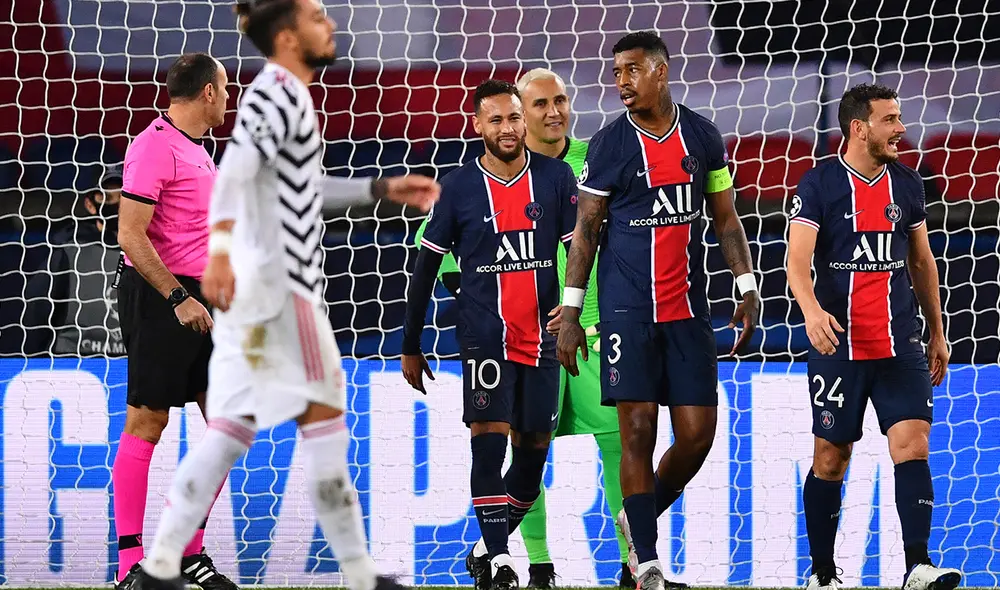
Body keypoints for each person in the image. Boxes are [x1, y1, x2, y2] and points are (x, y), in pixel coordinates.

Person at [132, 1, 439, 590]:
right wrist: (220, 251)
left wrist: (380, 188)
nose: (331, 26)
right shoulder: (278, 95)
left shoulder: (281, 94)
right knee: (323, 418)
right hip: (283, 287)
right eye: (319, 17)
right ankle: (357, 572)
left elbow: (299, 187)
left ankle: (161, 563)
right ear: (290, 35)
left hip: (264, 291)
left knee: (231, 427)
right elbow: (238, 175)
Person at [413, 68, 634, 589]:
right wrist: (483, 314)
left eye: (561, 100)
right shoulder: (485, 182)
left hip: (595, 331)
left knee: (620, 447)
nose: (554, 112)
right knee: (527, 452)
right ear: (516, 118)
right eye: (539, 105)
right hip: (522, 339)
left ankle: (632, 563)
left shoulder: (597, 158)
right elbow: (441, 253)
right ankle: (535, 564)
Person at [556, 31, 760, 590]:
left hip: (688, 313)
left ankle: (635, 517)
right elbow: (587, 230)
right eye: (616, 71)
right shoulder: (608, 146)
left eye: (631, 70)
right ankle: (645, 563)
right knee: (638, 429)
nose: (620, 81)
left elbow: (725, 218)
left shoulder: (703, 137)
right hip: (626, 313)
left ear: (661, 71)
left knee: (697, 435)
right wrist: (572, 314)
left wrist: (745, 283)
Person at [401, 79, 577, 590]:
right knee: (487, 446)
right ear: (477, 125)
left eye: (515, 118)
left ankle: (482, 549)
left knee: (530, 462)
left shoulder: (555, 177)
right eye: (496, 119)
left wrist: (572, 314)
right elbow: (425, 268)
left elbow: (582, 254)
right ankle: (502, 560)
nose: (508, 128)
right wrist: (410, 344)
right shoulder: (456, 187)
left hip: (542, 339)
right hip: (484, 338)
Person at [787, 83, 962, 590]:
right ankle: (822, 574)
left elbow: (921, 261)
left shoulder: (907, 185)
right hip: (838, 346)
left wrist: (938, 331)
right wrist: (813, 311)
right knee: (830, 457)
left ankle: (917, 565)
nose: (901, 129)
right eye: (890, 120)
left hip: (899, 346)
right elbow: (797, 263)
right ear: (859, 128)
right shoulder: (818, 185)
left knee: (913, 445)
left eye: (900, 118)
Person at [114, 52, 237, 590]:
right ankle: (130, 566)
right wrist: (175, 298)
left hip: (202, 298)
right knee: (148, 422)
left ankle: (188, 552)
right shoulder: (153, 144)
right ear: (208, 92)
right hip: (159, 296)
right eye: (226, 89)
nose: (229, 99)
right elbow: (130, 233)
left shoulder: (198, 150)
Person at [22, 164, 125, 356]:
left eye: (123, 196)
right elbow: (36, 315)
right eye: (107, 197)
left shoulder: (152, 253)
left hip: (130, 366)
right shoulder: (68, 251)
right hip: (74, 365)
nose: (118, 205)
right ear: (89, 204)